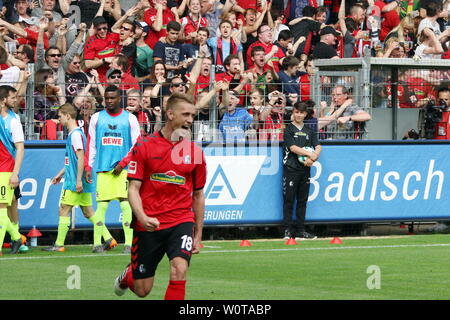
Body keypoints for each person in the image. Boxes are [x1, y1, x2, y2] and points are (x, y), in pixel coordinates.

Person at [113, 93, 207, 300]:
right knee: (142, 291)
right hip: (149, 224)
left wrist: (198, 233)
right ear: (170, 114)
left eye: (193, 115)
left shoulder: (195, 152)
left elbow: (198, 195)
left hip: (181, 220)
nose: (190, 120)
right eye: (186, 115)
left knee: (179, 268)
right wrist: (143, 217)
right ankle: (128, 275)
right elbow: (133, 189)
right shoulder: (144, 146)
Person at [41, 103, 104, 252]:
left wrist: (77, 181)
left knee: (63, 209)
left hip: (74, 181)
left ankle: (59, 245)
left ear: (68, 116)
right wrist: (59, 175)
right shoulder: (76, 133)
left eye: (60, 116)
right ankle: (107, 239)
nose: (59, 119)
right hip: (77, 179)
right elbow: (73, 161)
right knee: (89, 212)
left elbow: (81, 158)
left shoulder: (75, 134)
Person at [86, 85, 141, 253]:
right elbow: (91, 144)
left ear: (119, 99)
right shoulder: (96, 118)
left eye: (112, 98)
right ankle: (97, 244)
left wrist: (123, 163)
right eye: (107, 98)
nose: (109, 101)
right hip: (103, 169)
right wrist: (89, 166)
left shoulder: (130, 118)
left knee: (126, 206)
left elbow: (137, 145)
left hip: (123, 170)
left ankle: (129, 244)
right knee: (101, 207)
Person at [282, 101, 321, 240]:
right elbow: (293, 148)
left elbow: (318, 146)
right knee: (289, 199)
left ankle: (300, 230)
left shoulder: (309, 130)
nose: (298, 115)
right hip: (291, 169)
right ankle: (287, 229)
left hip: (305, 169)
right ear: (293, 112)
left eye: (301, 113)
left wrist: (314, 157)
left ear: (305, 114)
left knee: (302, 200)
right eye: (296, 112)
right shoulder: (288, 129)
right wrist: (309, 154)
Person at [0, 85, 26, 255]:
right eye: (12, 97)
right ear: (3, 100)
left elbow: (20, 148)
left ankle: (13, 240)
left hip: (6, 168)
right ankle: (17, 238)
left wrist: (15, 173)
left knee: (2, 207)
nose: (15, 100)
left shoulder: (13, 121)